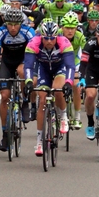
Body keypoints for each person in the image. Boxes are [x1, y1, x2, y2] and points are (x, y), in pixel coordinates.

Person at [23, 19, 75, 156]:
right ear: (41, 36)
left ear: (57, 36)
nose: (49, 41)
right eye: (46, 38)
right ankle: (39, 141)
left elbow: (70, 66)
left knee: (58, 90)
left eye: (52, 38)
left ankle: (63, 116)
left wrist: (69, 82)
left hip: (60, 68)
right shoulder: (34, 42)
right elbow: (28, 65)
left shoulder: (64, 42)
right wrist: (28, 81)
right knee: (42, 99)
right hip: (43, 69)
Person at [0, 8, 35, 151]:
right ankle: (5, 133)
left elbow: (32, 53)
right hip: (7, 63)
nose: (13, 27)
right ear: (5, 23)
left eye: (16, 24)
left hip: (23, 60)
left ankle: (25, 103)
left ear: (21, 24)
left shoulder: (28, 32)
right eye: (10, 24)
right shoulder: (0, 32)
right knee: (4, 96)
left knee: (22, 71)